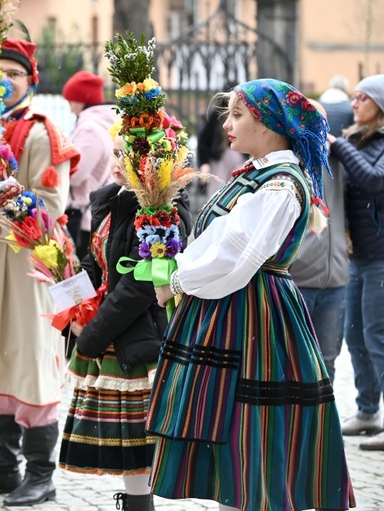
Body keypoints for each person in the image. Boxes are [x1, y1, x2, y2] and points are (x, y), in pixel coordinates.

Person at [148, 79, 355, 511]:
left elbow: (236, 257)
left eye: (238, 114)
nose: (227, 123)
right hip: (237, 305)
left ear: (270, 124)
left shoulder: (279, 184)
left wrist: (180, 280)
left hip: (255, 311)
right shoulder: (260, 174)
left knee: (251, 425)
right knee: (230, 425)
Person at [0, 39, 79, 507]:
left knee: (28, 360)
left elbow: (49, 206)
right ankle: (2, 466)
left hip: (27, 260)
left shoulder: (41, 131)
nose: (6, 80)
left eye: (16, 73)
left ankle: (40, 474)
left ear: (32, 81)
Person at [59, 130, 191, 511]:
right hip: (108, 326)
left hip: (138, 334)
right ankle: (135, 503)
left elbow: (139, 287)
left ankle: (138, 505)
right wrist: (73, 311)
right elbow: (93, 263)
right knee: (126, 443)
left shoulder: (160, 212)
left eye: (127, 156)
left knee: (137, 440)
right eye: (115, 153)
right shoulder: (112, 200)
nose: (116, 163)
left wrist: (92, 335)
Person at [328, 74, 384, 450]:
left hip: (380, 257)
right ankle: (367, 412)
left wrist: (340, 146)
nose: (354, 103)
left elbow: (373, 180)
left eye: (362, 97)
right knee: (355, 336)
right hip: (356, 255)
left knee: (377, 338)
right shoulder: (358, 140)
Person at [289, 100, 352, 385]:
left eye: (321, 122)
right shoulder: (286, 163)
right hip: (296, 280)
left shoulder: (338, 159)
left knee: (327, 362)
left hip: (336, 277)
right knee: (293, 362)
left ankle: (322, 428)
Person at [61, 70, 117, 261]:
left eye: (71, 101)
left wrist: (54, 171)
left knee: (82, 275)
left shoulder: (90, 128)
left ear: (81, 99)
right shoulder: (101, 123)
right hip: (92, 211)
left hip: (83, 214)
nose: (69, 109)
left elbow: (77, 173)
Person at [196, 83, 248, 201]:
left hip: (237, 157)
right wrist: (204, 162)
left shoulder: (244, 112)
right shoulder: (216, 115)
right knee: (217, 191)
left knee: (237, 191)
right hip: (219, 158)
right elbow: (204, 140)